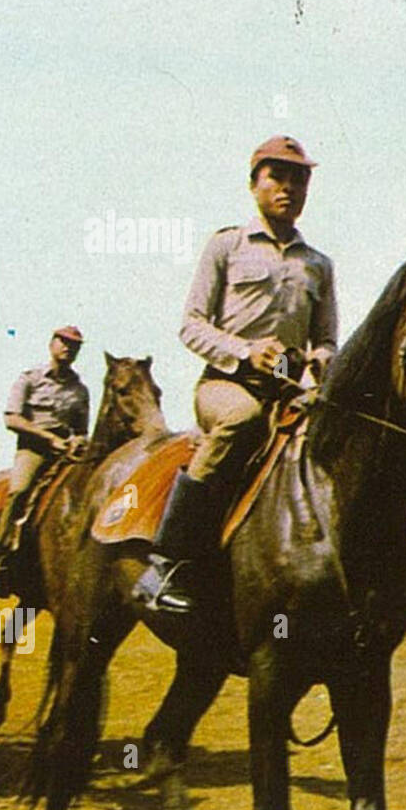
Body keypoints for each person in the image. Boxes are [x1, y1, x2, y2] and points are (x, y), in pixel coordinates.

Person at [133, 135, 338, 615]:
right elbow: (190, 324)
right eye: (278, 177)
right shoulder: (227, 245)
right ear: (254, 184)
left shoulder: (319, 265)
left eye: (299, 180)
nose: (289, 188)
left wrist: (324, 358)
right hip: (228, 386)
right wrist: (245, 352)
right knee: (242, 420)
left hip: (291, 392)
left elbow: (327, 337)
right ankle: (165, 566)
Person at [0, 326, 90, 587]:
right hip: (34, 448)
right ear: (52, 344)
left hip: (66, 453)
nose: (68, 348)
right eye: (64, 342)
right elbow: (11, 418)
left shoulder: (80, 390)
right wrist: (49, 439)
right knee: (20, 490)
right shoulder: (30, 378)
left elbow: (82, 430)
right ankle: (2, 556)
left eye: (75, 345)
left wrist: (77, 441)